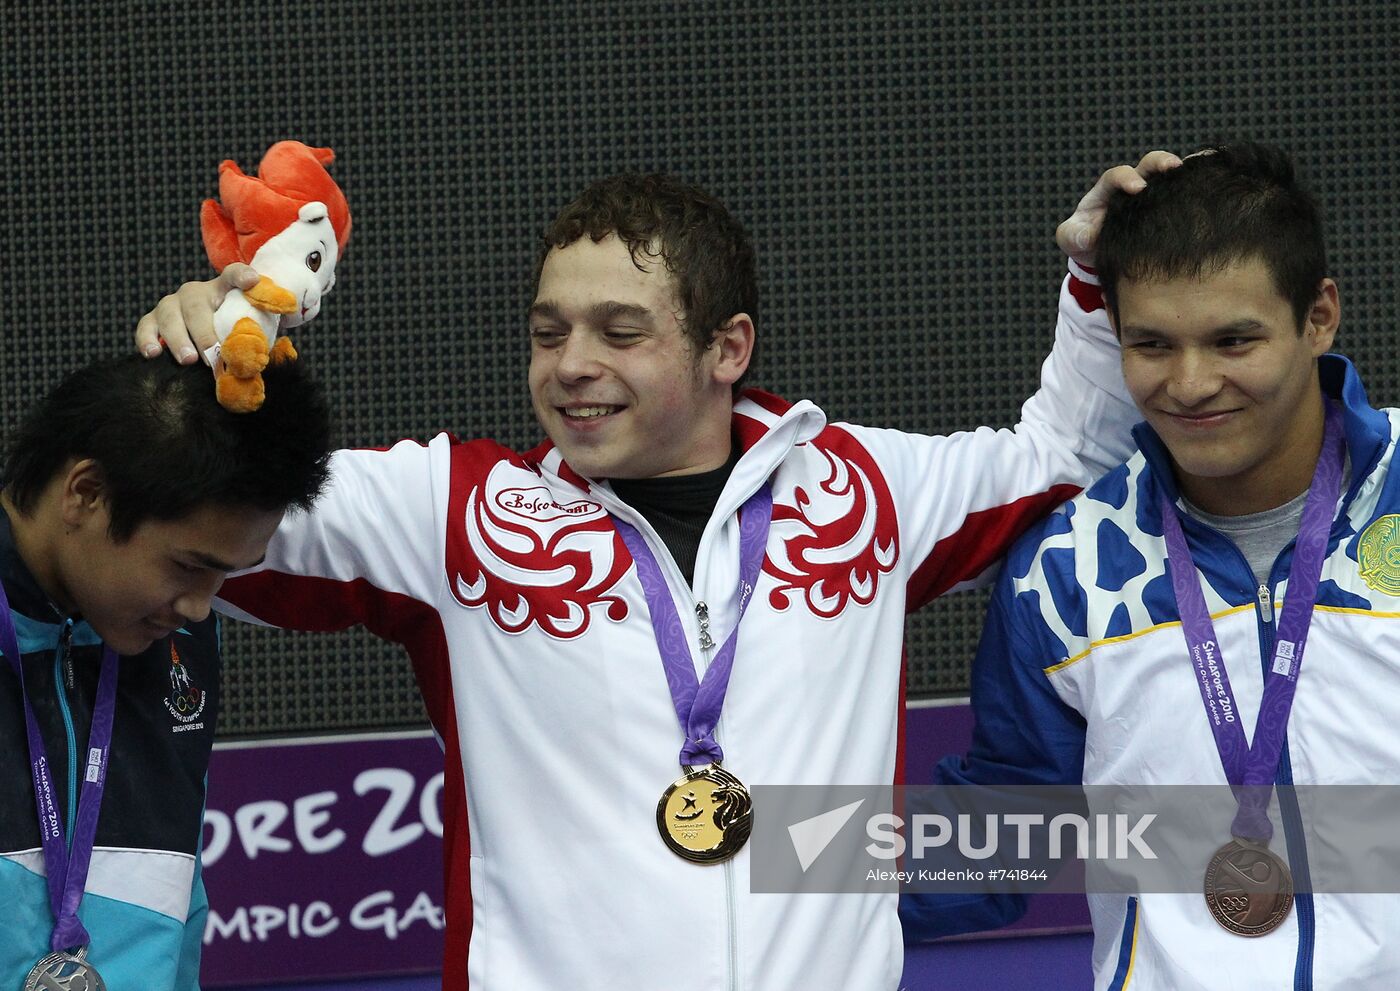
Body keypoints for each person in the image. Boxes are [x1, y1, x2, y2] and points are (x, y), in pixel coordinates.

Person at [135, 161, 1165, 990]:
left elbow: (1060, 461)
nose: (570, 363)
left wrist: (1090, 289)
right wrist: (204, 361)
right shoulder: (452, 513)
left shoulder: (862, 491)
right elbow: (195, 519)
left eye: (618, 332)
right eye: (548, 333)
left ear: (728, 348)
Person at [902, 143, 1400, 986]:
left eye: (1234, 339)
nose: (1191, 383)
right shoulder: (1069, 570)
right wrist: (761, 875)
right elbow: (1008, 837)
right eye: (1153, 344)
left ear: (1319, 315)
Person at [0, 355, 331, 990]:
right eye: (186, 566)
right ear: (86, 494)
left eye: (226, 574)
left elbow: (179, 915)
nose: (200, 607)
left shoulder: (169, 632)